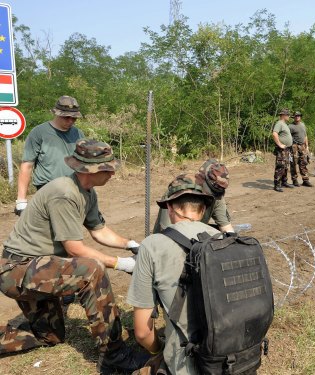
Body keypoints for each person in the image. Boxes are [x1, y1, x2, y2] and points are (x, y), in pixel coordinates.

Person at [0, 139, 148, 374]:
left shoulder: (86, 191)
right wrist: (121, 264)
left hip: (40, 269)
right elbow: (75, 249)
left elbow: (98, 230)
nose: (112, 173)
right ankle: (114, 353)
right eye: (107, 168)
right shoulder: (64, 193)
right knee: (91, 270)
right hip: (18, 270)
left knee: (51, 337)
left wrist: (130, 245)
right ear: (90, 171)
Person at [127, 174, 219, 375]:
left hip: (188, 364)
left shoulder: (152, 245)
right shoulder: (223, 239)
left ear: (169, 208)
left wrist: (159, 351)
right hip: (232, 354)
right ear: (203, 210)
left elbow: (142, 333)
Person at [15, 95, 85, 216]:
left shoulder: (78, 133)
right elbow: (27, 165)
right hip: (48, 186)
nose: (70, 121)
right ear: (57, 113)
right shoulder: (39, 132)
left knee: (70, 224)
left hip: (73, 186)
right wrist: (21, 201)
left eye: (74, 118)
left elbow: (83, 161)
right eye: (67, 117)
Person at [153, 158, 234, 233]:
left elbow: (226, 227)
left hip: (195, 237)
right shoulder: (181, 189)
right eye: (209, 191)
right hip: (171, 235)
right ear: (201, 179)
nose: (212, 195)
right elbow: (168, 230)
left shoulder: (217, 195)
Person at [288, 111, 313, 187]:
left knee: (303, 163)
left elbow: (305, 136)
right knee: (293, 164)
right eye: (296, 116)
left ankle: (305, 180)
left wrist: (307, 146)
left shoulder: (303, 125)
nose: (297, 117)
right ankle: (294, 180)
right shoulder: (290, 126)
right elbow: (287, 137)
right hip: (294, 147)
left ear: (300, 117)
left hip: (302, 147)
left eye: (299, 116)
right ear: (294, 117)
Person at [272, 109, 294, 192]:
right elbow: (274, 134)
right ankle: (277, 184)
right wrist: (279, 144)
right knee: (280, 165)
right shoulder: (279, 123)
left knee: (285, 166)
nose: (289, 116)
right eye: (287, 115)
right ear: (283, 115)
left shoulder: (284, 124)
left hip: (287, 149)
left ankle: (284, 182)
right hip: (282, 149)